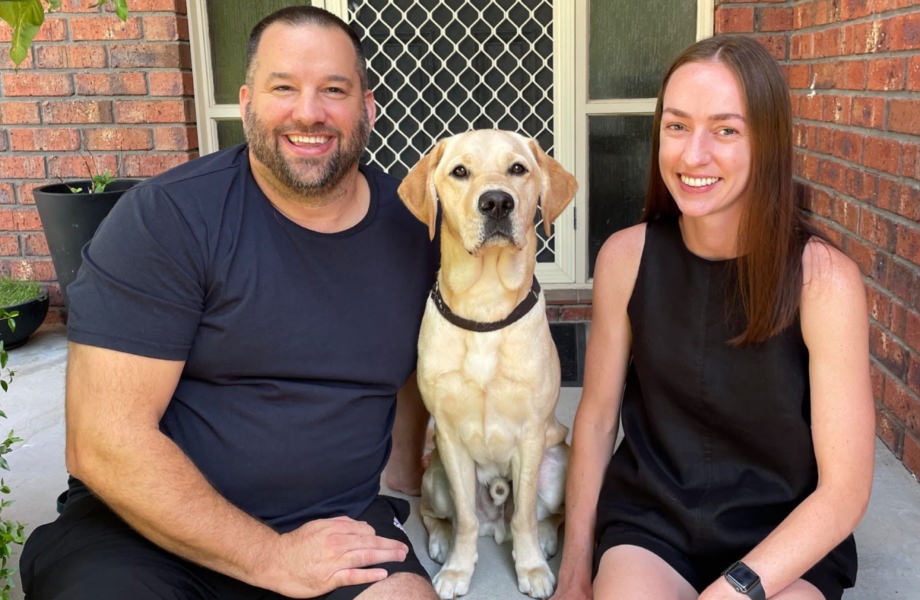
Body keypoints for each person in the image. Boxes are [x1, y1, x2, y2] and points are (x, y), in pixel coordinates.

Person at [20, 6, 439, 600]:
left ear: (367, 107)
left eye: (334, 90)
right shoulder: (170, 219)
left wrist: (404, 478)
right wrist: (271, 558)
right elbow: (104, 442)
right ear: (246, 102)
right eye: (283, 88)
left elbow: (427, 349)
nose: (309, 112)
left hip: (330, 525)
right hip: (145, 534)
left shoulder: (417, 226)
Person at [551, 35, 874, 600]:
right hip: (656, 524)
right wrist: (576, 569)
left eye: (725, 130)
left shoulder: (824, 281)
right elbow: (598, 422)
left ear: (768, 141)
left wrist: (735, 589)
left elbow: (845, 490)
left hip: (783, 539)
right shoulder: (625, 259)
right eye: (677, 127)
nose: (692, 154)